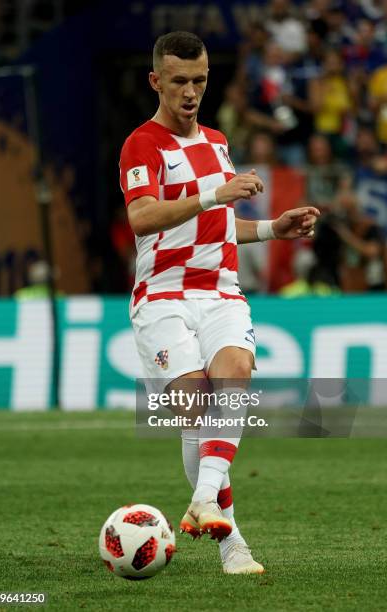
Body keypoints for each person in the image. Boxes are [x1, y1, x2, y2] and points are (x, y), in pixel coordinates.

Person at [119, 31, 319, 575]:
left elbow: (219, 223)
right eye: (179, 81)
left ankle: (221, 529)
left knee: (234, 376)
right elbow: (142, 217)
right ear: (156, 81)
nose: (190, 91)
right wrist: (213, 193)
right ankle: (223, 525)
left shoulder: (217, 139)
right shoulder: (142, 145)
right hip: (160, 294)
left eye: (200, 80)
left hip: (219, 289)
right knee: (196, 408)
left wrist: (275, 230)